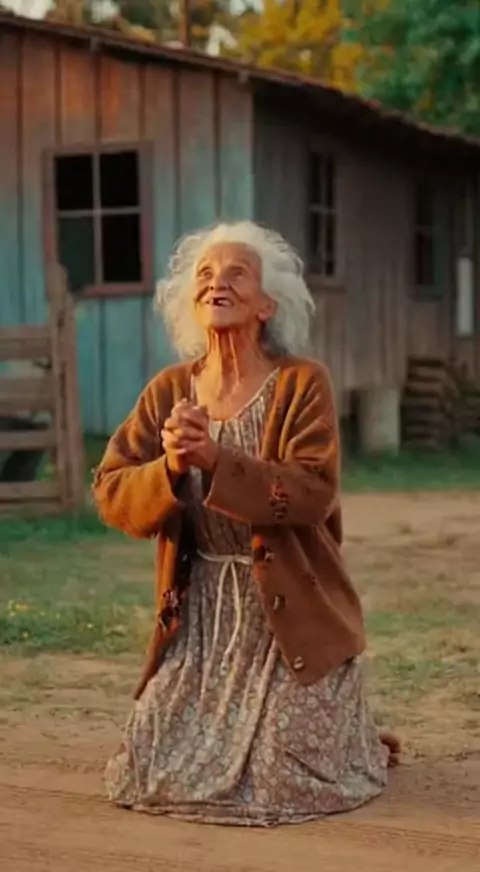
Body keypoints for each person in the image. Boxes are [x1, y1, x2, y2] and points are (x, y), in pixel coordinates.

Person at [93, 221, 399, 827]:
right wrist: (170, 467)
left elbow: (312, 493)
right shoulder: (169, 391)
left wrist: (216, 460)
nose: (218, 283)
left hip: (290, 618)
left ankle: (351, 734)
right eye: (206, 274)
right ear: (191, 301)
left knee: (284, 774)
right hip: (202, 620)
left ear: (267, 305)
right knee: (147, 762)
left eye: (238, 273)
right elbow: (110, 489)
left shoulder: (302, 383)